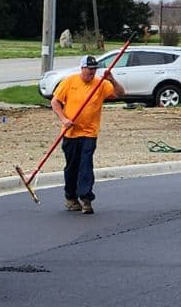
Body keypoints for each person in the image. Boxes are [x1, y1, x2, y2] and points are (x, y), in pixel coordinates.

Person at [50, 55, 125, 214]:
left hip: (89, 132)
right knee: (72, 166)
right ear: (82, 68)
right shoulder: (70, 82)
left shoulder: (100, 84)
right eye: (89, 69)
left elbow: (120, 93)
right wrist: (64, 119)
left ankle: (86, 198)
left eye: (94, 69)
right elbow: (55, 102)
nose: (92, 72)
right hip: (70, 132)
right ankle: (71, 197)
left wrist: (112, 79)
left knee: (86, 164)